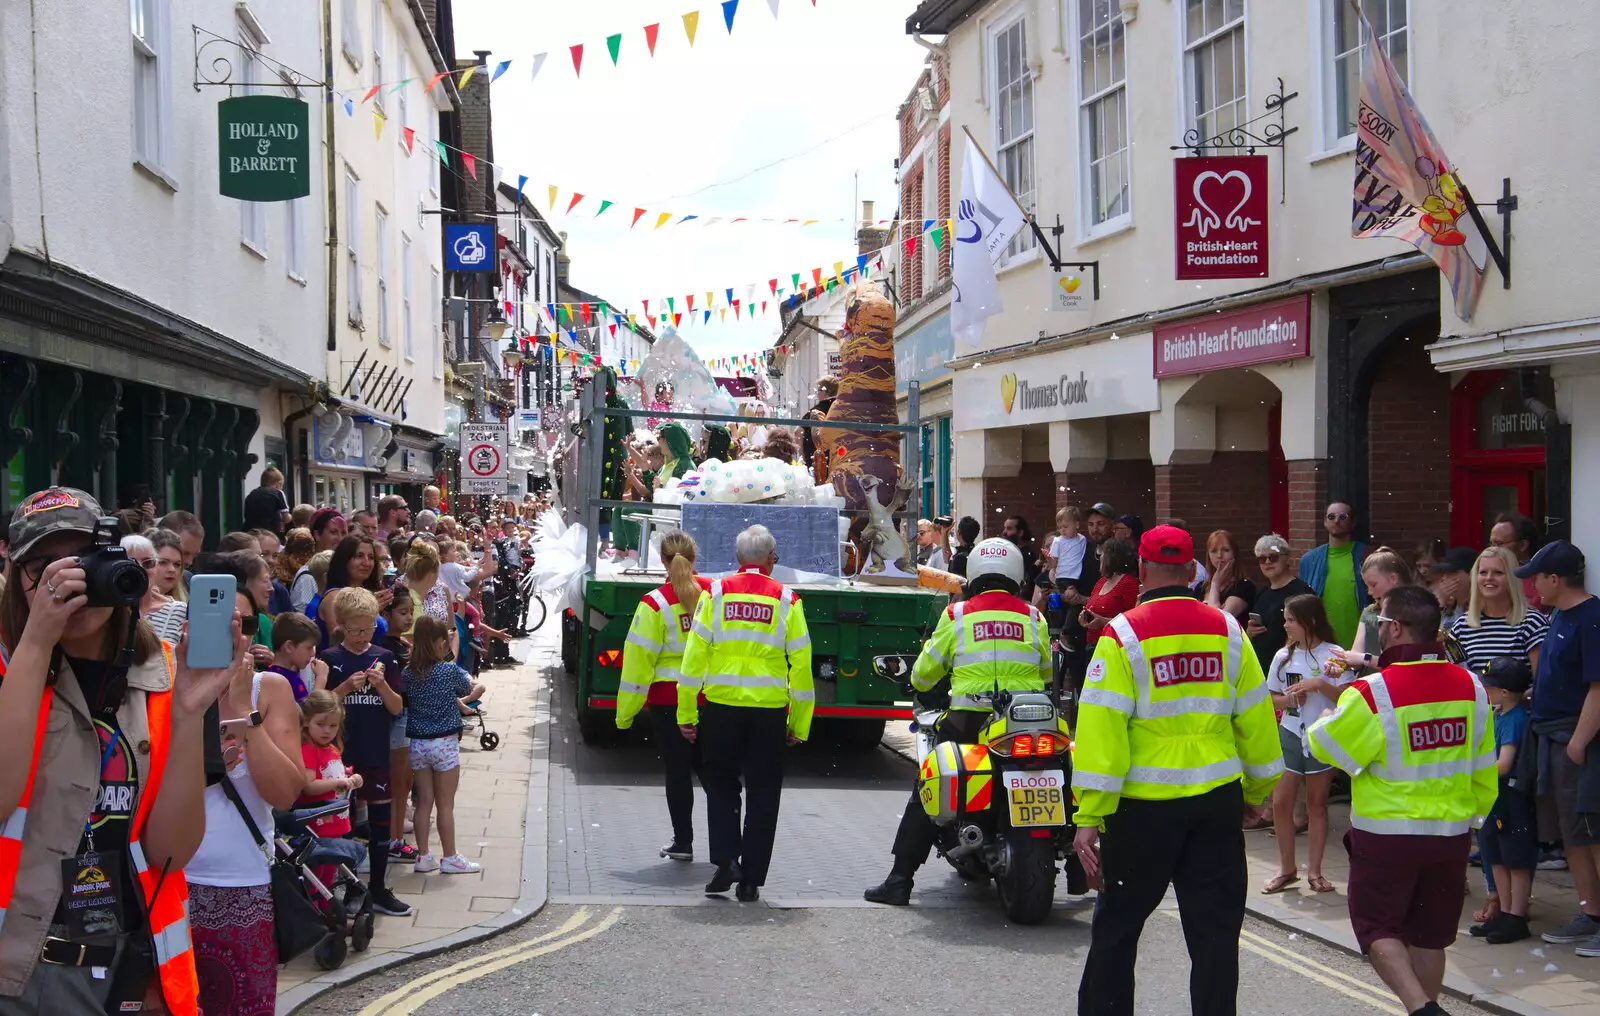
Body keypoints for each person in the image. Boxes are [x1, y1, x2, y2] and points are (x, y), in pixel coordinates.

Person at [0, 487, 245, 1016]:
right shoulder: (8, 669)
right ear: (17, 578)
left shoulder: (163, 675)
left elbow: (171, 854)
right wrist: (38, 639)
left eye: (84, 559)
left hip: (130, 965)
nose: (70, 580)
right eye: (44, 566)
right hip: (19, 970)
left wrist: (185, 717)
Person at [1071, 524, 1283, 1016]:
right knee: (1214, 938)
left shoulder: (1121, 635)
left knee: (1118, 930)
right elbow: (1256, 718)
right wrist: (1257, 790)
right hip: (1215, 802)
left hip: (1141, 810)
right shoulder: (1229, 630)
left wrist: (1089, 816)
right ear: (1192, 571)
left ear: (1142, 570)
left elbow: (1103, 735)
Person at [1306, 584, 1497, 1016]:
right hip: (1450, 834)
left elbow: (1330, 749)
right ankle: (1425, 1008)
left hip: (1387, 835)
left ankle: (1421, 1009)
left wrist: (1322, 721)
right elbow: (1483, 765)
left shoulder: (1374, 691)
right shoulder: (1472, 687)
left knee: (1377, 928)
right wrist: (1475, 819)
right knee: (1430, 935)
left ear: (1393, 628)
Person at [863, 537, 1049, 906]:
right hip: (1024, 722)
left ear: (974, 573)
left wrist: (917, 682)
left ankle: (900, 880)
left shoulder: (957, 615)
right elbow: (1044, 670)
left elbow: (924, 673)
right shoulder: (1034, 617)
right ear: (1016, 574)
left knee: (928, 785)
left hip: (969, 720)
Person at [183, 561, 304, 1016]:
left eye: (246, 624)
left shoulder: (267, 689)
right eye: (223, 623)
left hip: (241, 884)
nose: (238, 635)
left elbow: (286, 793)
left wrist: (238, 707)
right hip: (170, 883)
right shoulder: (164, 685)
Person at [677, 525, 813, 903]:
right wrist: (799, 722)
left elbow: (694, 658)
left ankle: (725, 862)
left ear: (738, 559)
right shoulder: (788, 599)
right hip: (768, 713)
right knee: (764, 794)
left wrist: (686, 712)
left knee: (720, 787)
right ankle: (751, 879)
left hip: (721, 709)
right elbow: (801, 665)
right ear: (770, 559)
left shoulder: (715, 594)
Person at [1512, 540, 1600, 954]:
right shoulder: (1558, 616)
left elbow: (1598, 689)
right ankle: (1592, 913)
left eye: (1536, 579)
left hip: (1575, 740)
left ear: (1555, 578)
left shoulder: (1592, 618)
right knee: (1571, 834)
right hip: (1553, 738)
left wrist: (1580, 742)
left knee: (1592, 831)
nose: (1532, 588)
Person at [616, 530, 713, 860]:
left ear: (662, 561)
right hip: (712, 696)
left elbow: (638, 661)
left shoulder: (654, 603)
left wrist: (625, 713)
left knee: (678, 771)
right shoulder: (716, 596)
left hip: (667, 700)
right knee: (716, 773)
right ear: (694, 557)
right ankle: (726, 847)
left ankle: (683, 842)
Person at [317, 588, 413, 916]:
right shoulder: (331, 658)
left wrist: (382, 685)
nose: (362, 636)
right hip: (340, 757)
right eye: (355, 630)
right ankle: (343, 887)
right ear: (341, 625)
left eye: (369, 629)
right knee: (340, 825)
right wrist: (343, 689)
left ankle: (379, 889)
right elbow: (319, 708)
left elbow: (398, 706)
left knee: (380, 825)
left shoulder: (384, 657)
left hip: (375, 752)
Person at [1261, 594, 1347, 896]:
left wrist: (1319, 685)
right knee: (1281, 800)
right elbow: (1271, 697)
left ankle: (1316, 872)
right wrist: (1289, 699)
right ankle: (1287, 869)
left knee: (1316, 804)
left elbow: (1348, 699)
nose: (1285, 626)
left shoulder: (1335, 655)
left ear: (1310, 621)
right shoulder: (1283, 656)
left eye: (1291, 620)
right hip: (1289, 732)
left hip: (1320, 737)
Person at [1464, 657, 1537, 945]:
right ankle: (1504, 913)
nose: (1484, 690)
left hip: (1510, 797)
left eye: (1489, 686)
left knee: (1515, 859)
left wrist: (1472, 771)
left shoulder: (1515, 719)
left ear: (1504, 692)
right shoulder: (1498, 713)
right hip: (1494, 798)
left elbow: (1504, 764)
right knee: (1494, 855)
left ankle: (1516, 916)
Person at [405, 615, 485, 875]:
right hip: (445, 744)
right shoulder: (448, 671)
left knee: (423, 802)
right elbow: (469, 689)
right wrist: (476, 693)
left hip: (418, 745)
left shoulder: (408, 673)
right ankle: (450, 857)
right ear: (441, 643)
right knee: (446, 804)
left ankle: (423, 856)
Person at [1448, 546, 1548, 675]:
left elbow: (1541, 682)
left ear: (1512, 578)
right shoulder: (1461, 626)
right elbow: (1454, 677)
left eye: (1498, 573)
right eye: (1483, 572)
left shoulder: (1532, 623)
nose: (1489, 578)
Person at [1325, 548, 1414, 678]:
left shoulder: (1416, 613)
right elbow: (1356, 656)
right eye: (1367, 586)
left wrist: (1365, 658)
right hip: (1372, 686)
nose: (1369, 592)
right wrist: (1340, 663)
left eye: (1373, 585)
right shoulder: (1369, 612)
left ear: (1393, 578)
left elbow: (1406, 663)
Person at [1298, 502, 1369, 649]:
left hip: (1361, 643)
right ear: (1325, 522)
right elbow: (1302, 603)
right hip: (1321, 644)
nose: (1337, 520)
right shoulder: (1309, 560)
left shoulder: (1366, 555)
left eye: (1343, 516)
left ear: (1352, 522)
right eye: (1331, 516)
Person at [1246, 534, 1315, 670]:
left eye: (1273, 557)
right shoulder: (1263, 592)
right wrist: (1250, 631)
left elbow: (1310, 632)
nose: (1267, 562)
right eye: (1262, 559)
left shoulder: (1301, 592)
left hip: (1290, 666)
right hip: (1262, 667)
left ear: (1287, 558)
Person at [123, 532, 188, 645]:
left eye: (148, 563)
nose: (140, 569)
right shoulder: (107, 611)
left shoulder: (180, 610)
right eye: (131, 563)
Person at [1080, 538, 1140, 643]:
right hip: (1093, 645)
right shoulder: (1101, 582)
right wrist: (1083, 617)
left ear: (1111, 557)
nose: (1100, 557)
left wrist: (1104, 622)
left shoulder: (1128, 582)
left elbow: (1133, 621)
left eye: (1103, 553)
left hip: (1114, 645)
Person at [1492, 513, 1545, 613]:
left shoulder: (1542, 581)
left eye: (1498, 544)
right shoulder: (1488, 578)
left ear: (1523, 545)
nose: (1492, 550)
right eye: (1491, 544)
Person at [267, 612, 323, 702]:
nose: (312, 654)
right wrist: (321, 678)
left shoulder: (291, 676)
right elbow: (309, 714)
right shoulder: (275, 680)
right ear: (289, 647)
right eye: (309, 648)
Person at [1202, 529, 1255, 621]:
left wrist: (1215, 584)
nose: (1219, 555)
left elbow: (1218, 620)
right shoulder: (1201, 587)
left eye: (1226, 550)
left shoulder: (1244, 586)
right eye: (1214, 551)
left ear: (1234, 553)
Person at [1429, 546, 1477, 627]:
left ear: (1471, 574)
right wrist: (1441, 602)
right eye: (1444, 572)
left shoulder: (1482, 608)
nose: (1444, 578)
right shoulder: (1448, 608)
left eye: (1452, 572)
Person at [242, 467, 292, 535]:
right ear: (278, 484)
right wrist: (292, 517)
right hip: (269, 533)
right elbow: (286, 518)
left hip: (250, 532)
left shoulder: (252, 494)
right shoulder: (278, 493)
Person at [1001, 515, 1041, 590]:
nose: (1004, 532)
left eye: (1009, 529)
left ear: (1020, 532)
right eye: (1004, 528)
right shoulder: (1004, 551)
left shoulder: (1028, 554)